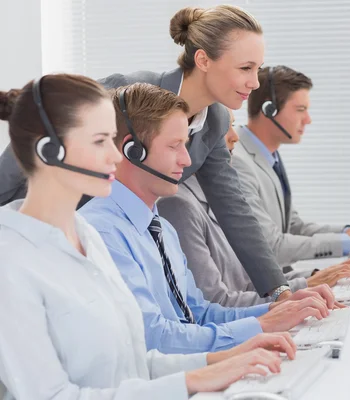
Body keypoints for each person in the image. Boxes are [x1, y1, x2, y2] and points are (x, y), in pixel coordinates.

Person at [0, 74, 298, 399]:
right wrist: (193, 379)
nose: (116, 156)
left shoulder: (85, 236)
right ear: (51, 151)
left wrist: (219, 363)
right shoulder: (12, 263)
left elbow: (131, 363)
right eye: (101, 141)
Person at [0, 5, 292, 301]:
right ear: (203, 59)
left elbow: (233, 208)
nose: (255, 82)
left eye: (258, 69)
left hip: (100, 246)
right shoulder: (127, 92)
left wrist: (279, 291)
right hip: (34, 228)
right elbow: (38, 132)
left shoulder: (214, 120)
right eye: (245, 68)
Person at [80, 83, 335, 355]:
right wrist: (261, 326)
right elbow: (153, 337)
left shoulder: (162, 228)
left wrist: (279, 309)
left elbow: (198, 314)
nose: (187, 159)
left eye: (186, 145)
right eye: (174, 146)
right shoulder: (100, 233)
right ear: (131, 150)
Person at [158, 108, 350, 306]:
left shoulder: (222, 197)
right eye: (224, 129)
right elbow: (216, 302)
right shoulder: (179, 206)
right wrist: (301, 291)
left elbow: (251, 284)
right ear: (193, 139)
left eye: (233, 126)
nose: (235, 137)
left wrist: (316, 277)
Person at [232, 65, 350, 268]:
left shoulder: (269, 157)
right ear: (268, 110)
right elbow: (271, 246)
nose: (308, 119)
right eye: (300, 110)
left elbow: (293, 226)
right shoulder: (238, 162)